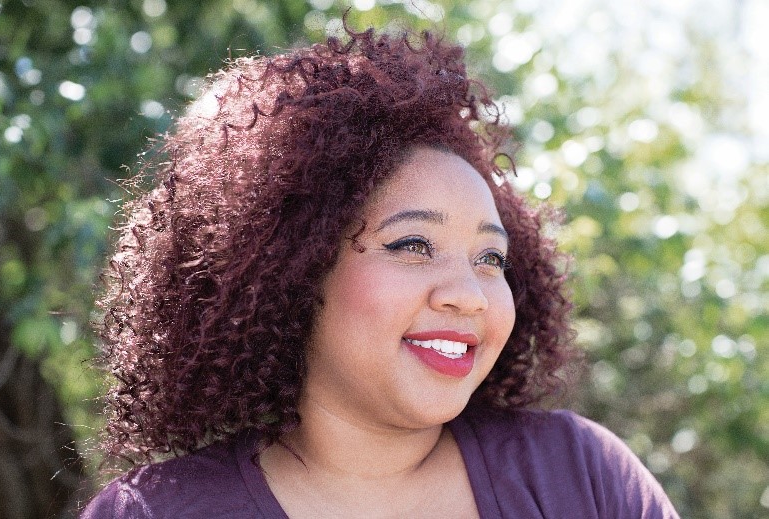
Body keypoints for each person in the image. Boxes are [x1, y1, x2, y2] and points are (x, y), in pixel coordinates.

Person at [82, 23, 679, 518]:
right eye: (414, 245)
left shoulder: (579, 477)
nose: (468, 295)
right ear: (294, 270)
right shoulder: (157, 512)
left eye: (490, 258)